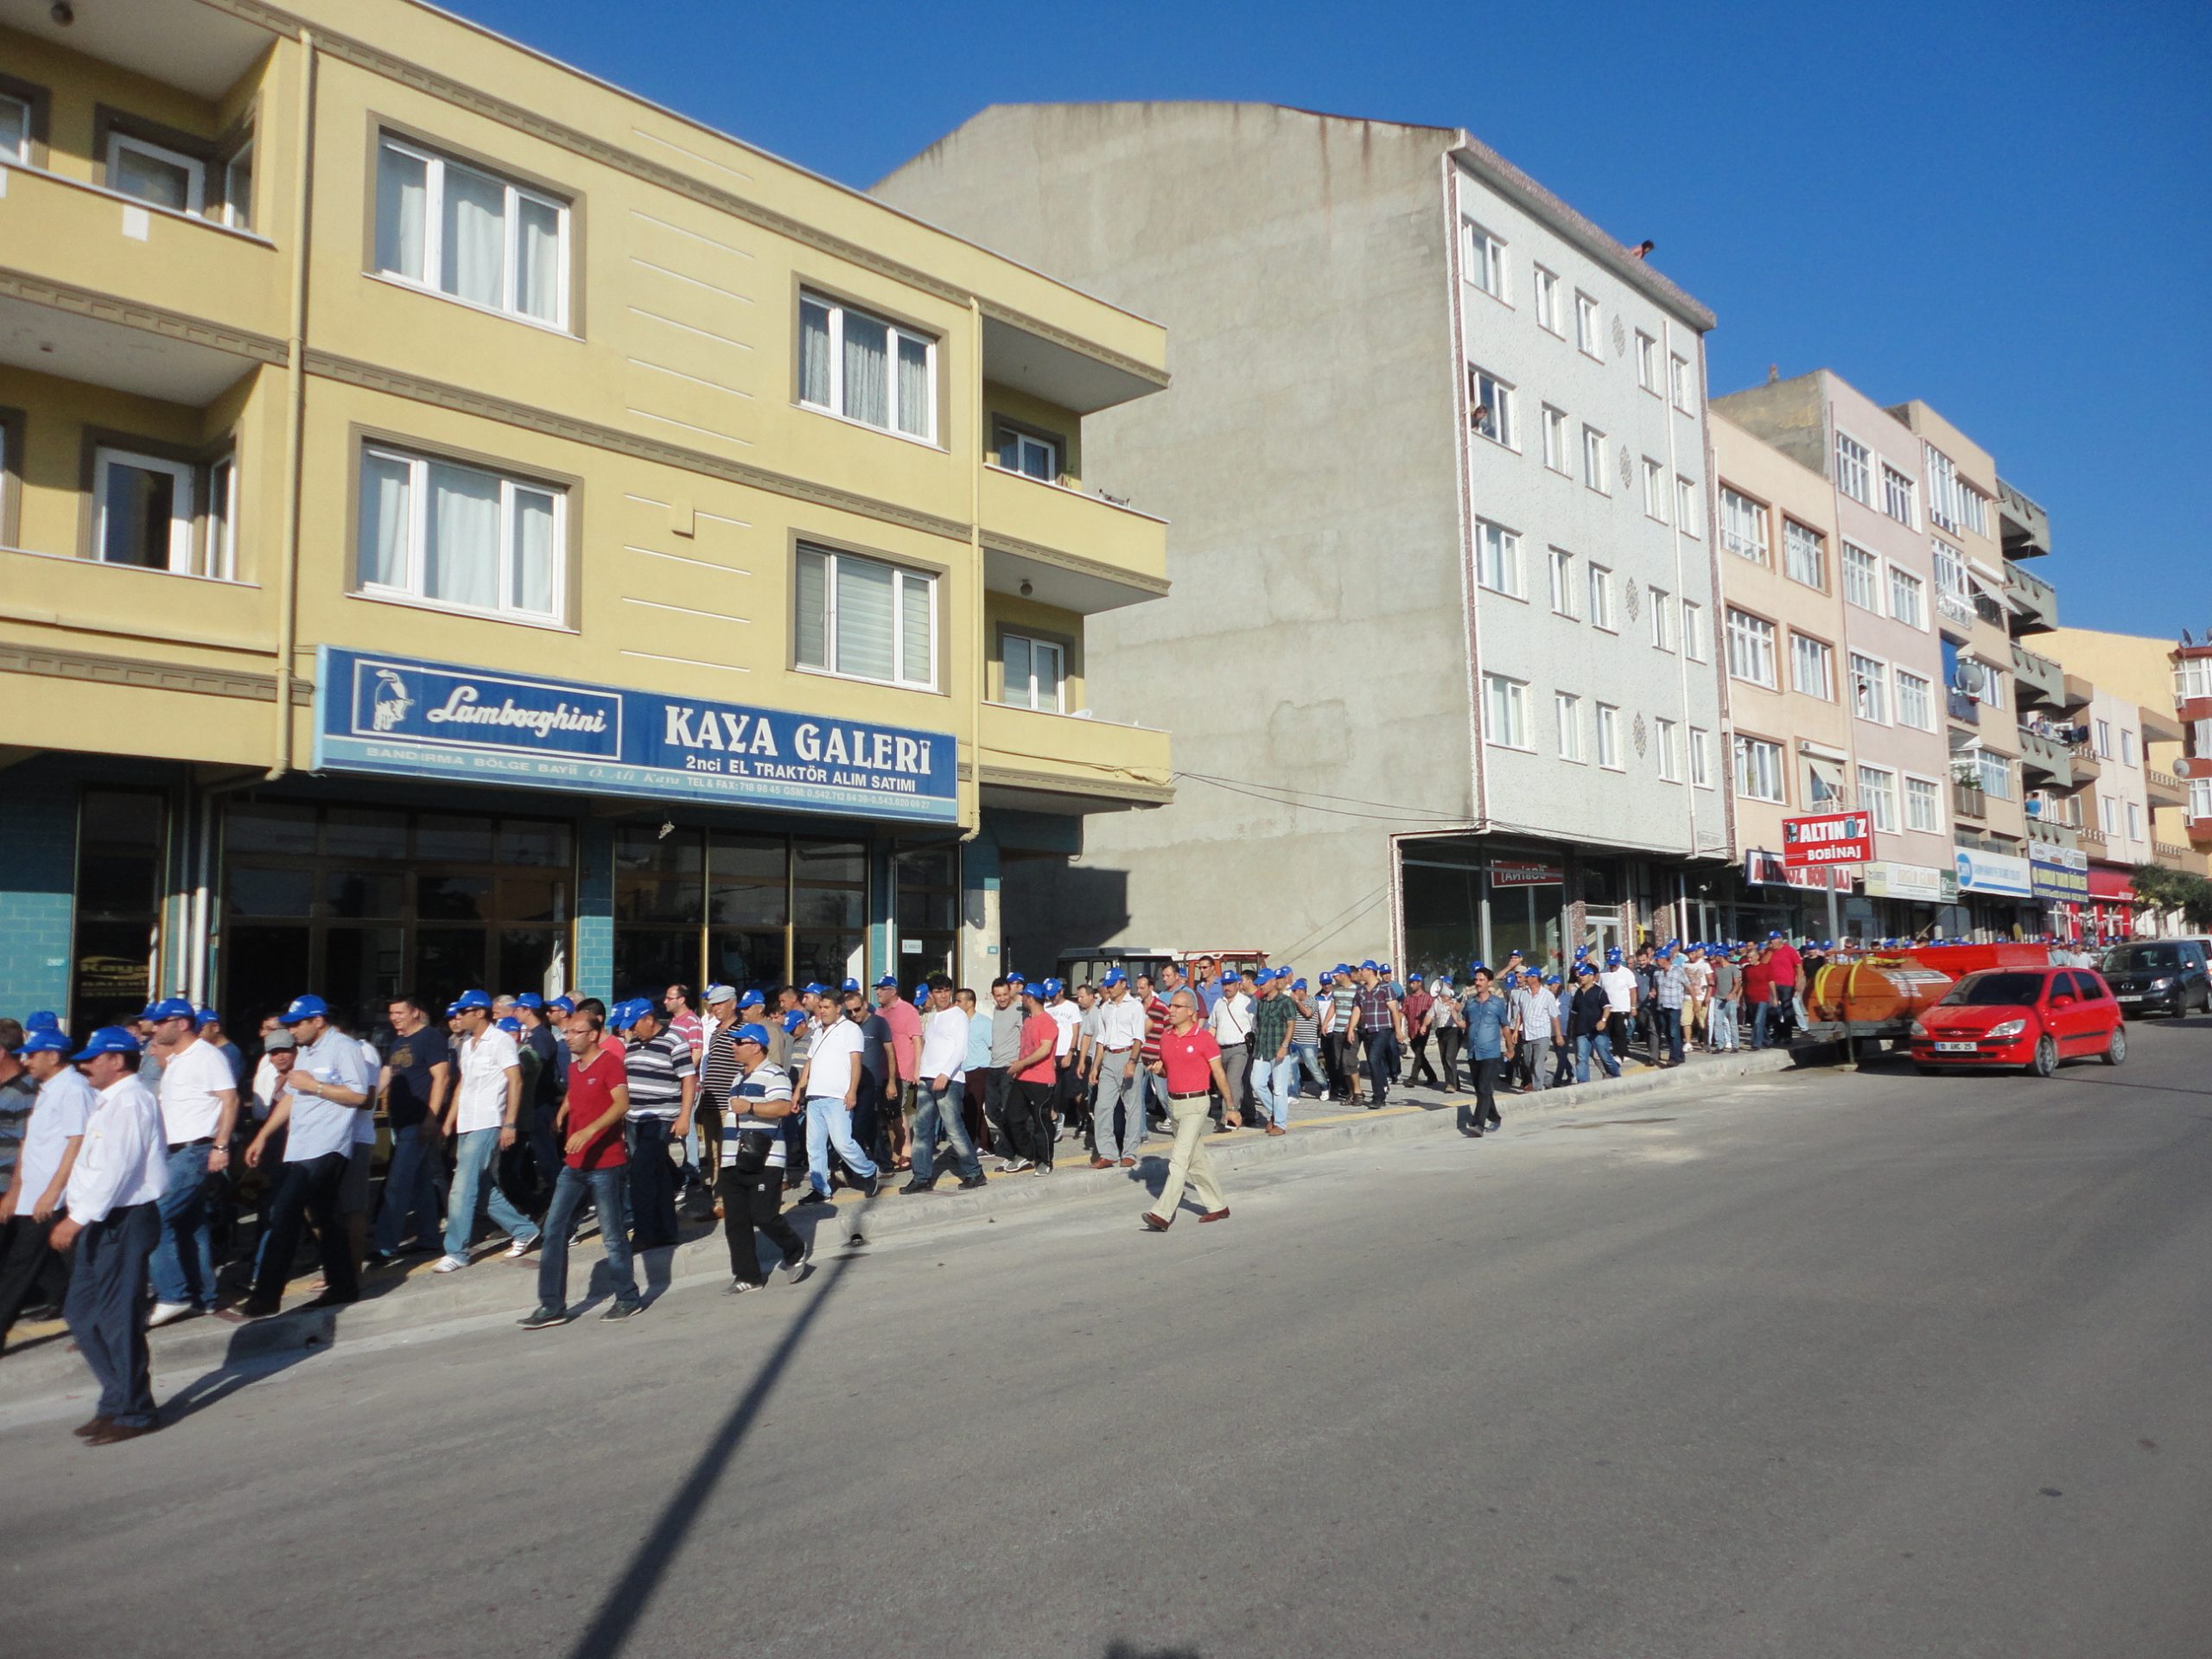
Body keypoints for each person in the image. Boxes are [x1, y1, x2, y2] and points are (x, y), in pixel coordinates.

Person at [48, 1026, 168, 1443]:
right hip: (100, 1219)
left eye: (93, 1058)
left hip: (124, 1219)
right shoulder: (108, 1101)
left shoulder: (131, 1102)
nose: (84, 1065)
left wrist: (76, 1219)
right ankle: (116, 1399)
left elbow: (116, 1169)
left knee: (118, 1319)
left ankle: (135, 1411)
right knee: (82, 1314)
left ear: (117, 1060)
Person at [237, 995, 371, 1319]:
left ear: (318, 1021)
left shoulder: (344, 1048)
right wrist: (263, 1136)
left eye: (298, 1023)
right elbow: (291, 1099)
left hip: (328, 1144)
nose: (292, 1030)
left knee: (284, 1212)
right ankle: (343, 1286)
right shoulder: (307, 1053)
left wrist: (317, 1086)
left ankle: (267, 1295)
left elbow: (360, 1095)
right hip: (300, 1145)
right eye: (290, 1024)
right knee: (326, 1217)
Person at [520, 1007, 642, 1327]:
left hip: (606, 1164)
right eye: (567, 1032)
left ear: (593, 1034)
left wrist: (589, 1131)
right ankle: (551, 1305)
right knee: (553, 1230)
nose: (568, 1037)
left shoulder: (611, 1063)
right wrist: (563, 1114)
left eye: (575, 1032)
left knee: (613, 1234)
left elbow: (621, 1104)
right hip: (573, 1165)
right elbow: (576, 1092)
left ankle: (627, 1297)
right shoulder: (576, 1066)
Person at [147, 995, 238, 1327]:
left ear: (182, 1024)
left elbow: (230, 1100)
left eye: (161, 1022)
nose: (154, 1028)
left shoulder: (206, 1056)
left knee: (155, 1219)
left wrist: (220, 1146)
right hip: (177, 1150)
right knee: (191, 1224)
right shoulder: (177, 1060)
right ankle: (204, 1296)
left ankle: (173, 1294)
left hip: (195, 1150)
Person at [435, 990, 541, 1272]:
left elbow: (515, 1082)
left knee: (462, 1187)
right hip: (466, 1123)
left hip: (489, 1121)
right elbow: (463, 1086)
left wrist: (509, 1123)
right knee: (480, 1188)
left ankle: (456, 1251)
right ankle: (523, 1229)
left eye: (463, 1012)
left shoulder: (502, 1041)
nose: (458, 1018)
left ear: (479, 1012)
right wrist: (448, 1121)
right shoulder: (467, 1046)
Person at [1, 1026, 89, 1351]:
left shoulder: (74, 1089)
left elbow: (75, 1142)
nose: (26, 1060)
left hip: (57, 1198)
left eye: (33, 1054)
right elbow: (30, 1142)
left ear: (53, 1055)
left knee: (75, 1266)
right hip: (34, 1196)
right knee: (25, 1265)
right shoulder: (46, 1087)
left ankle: (97, 1326)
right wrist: (16, 1190)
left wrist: (53, 1192)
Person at [711, 1020, 810, 1295]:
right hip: (734, 1159)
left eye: (739, 1042)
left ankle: (794, 1248)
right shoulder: (739, 1077)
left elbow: (782, 1107)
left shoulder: (774, 1074)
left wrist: (751, 1106)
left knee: (764, 1215)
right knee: (736, 1221)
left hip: (763, 1159)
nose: (734, 1046)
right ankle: (748, 1276)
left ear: (755, 1046)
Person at [1141, 989, 1237, 1230]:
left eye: (1177, 1006)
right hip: (1175, 1104)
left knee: (1179, 1159)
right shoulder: (1166, 1037)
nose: (1171, 1010)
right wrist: (1158, 1069)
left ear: (1191, 1012)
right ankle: (1218, 1206)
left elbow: (1218, 1073)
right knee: (1196, 1160)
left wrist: (1231, 1107)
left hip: (1196, 1103)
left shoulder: (1204, 1038)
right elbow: (1168, 1071)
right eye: (1170, 1006)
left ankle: (1163, 1213)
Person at [369, 995, 449, 1268]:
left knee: (397, 1183)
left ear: (415, 1012)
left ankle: (384, 1245)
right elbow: (387, 1075)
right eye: (391, 1012)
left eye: (399, 1012)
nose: (394, 1017)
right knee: (420, 1181)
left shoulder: (430, 1038)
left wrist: (432, 1117)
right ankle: (428, 1237)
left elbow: (441, 1078)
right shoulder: (398, 1041)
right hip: (399, 1121)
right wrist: (367, 1104)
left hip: (418, 1121)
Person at [618, 998, 697, 1246]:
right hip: (635, 1118)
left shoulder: (674, 1041)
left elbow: (688, 1080)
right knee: (659, 1174)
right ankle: (667, 1230)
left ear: (649, 1020)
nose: (630, 1029)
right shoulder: (633, 1045)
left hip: (661, 1117)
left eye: (634, 1024)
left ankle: (644, 1233)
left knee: (640, 1173)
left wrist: (684, 1116)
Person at [795, 989, 880, 1201]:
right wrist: (799, 1089)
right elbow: (810, 1062)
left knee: (843, 1143)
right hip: (815, 1096)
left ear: (837, 1008)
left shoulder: (850, 1029)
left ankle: (869, 1170)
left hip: (837, 1096)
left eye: (826, 1007)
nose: (822, 1011)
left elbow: (855, 1063)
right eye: (820, 1007)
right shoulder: (817, 1031)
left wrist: (852, 1091)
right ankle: (820, 1189)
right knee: (814, 1146)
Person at [905, 976, 987, 1192]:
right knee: (922, 1130)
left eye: (946, 990)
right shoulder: (933, 1017)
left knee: (954, 1129)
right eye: (938, 991)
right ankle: (921, 1177)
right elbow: (928, 1047)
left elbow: (960, 1049)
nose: (942, 995)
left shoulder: (958, 1015)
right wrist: (920, 1072)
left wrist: (945, 1074)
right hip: (927, 1079)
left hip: (949, 1080)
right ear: (931, 994)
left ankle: (974, 1172)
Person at [1087, 967, 1150, 1166]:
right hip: (1109, 1057)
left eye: (1113, 985)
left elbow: (1139, 1037)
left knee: (1131, 1107)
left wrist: (1132, 1062)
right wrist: (1095, 1066)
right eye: (1107, 986)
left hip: (1128, 1055)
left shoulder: (1134, 1006)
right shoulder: (1105, 1008)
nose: (1110, 989)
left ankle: (1129, 1152)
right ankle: (1108, 1152)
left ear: (1123, 984)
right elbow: (1100, 1039)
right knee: (1102, 1106)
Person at [981, 978, 1032, 1173]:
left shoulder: (1019, 1010)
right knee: (992, 1111)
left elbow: (1027, 1037)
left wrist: (1020, 1062)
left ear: (1010, 991)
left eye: (1004, 994)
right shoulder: (996, 1010)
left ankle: (1019, 1152)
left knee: (1011, 1113)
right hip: (993, 1066)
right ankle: (1014, 1147)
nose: (1002, 999)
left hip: (1009, 1068)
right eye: (998, 995)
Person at [875, 974, 924, 1173]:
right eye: (877, 988)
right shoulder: (878, 1013)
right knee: (888, 1115)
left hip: (903, 1071)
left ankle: (908, 1152)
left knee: (901, 1113)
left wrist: (917, 1070)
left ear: (893, 991)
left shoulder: (907, 1011)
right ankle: (895, 1153)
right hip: (883, 1072)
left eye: (882, 988)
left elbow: (917, 1041)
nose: (878, 992)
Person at [1012, 985, 1061, 1175]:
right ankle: (1026, 1153)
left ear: (1030, 998)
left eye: (1023, 996)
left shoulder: (1047, 1022)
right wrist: (1019, 1067)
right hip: (1022, 1077)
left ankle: (1045, 1161)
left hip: (1041, 1079)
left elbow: (1044, 1049)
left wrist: (1021, 1063)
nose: (1021, 999)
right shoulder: (1027, 1021)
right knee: (1012, 1118)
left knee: (1041, 1121)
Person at [1246, 968, 1298, 1137]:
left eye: (1264, 983)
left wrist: (1284, 1045)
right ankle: (1276, 1112)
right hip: (1262, 1048)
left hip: (1279, 1048)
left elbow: (1291, 1025)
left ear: (1273, 981)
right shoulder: (1261, 1003)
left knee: (1279, 1089)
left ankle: (1280, 1124)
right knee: (1257, 1083)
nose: (1262, 987)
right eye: (1260, 984)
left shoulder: (1285, 1001)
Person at [1460, 968, 1508, 1135]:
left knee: (1483, 1086)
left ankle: (1478, 1124)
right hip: (1473, 1052)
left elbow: (1505, 1026)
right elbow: (1466, 1024)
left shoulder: (1497, 1003)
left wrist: (1510, 1049)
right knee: (1481, 1088)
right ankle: (1495, 1117)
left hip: (1491, 1052)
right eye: (1476, 980)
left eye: (1481, 980)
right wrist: (1454, 1013)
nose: (1478, 983)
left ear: (1489, 982)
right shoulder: (1471, 1003)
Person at [1206, 969, 1255, 1127]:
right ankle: (1248, 1113)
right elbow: (1213, 1026)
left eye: (1230, 984)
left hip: (1239, 1049)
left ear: (1237, 984)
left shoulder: (1246, 1002)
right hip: (1221, 1049)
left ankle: (1227, 1118)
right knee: (1231, 1083)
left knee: (1232, 1082)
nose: (1227, 987)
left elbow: (1254, 1026)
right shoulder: (1219, 1003)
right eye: (1224, 984)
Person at [1351, 960, 1402, 1109]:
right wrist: (1351, 1029)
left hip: (1383, 1030)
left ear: (1371, 971)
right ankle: (1383, 1086)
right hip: (1367, 1030)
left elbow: (1394, 1011)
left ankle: (1378, 1096)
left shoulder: (1385, 989)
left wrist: (1398, 1031)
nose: (1360, 972)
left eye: (1362, 970)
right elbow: (1357, 1010)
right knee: (1376, 1061)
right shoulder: (1360, 991)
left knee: (1373, 1059)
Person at [1510, 968, 1560, 1094]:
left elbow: (1554, 1016)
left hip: (1542, 1034)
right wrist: (1516, 1031)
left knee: (1537, 1062)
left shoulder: (1547, 995)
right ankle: (1549, 1079)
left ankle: (1537, 1088)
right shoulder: (1523, 994)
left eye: (1528, 977)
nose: (1526, 979)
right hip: (1527, 1033)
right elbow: (1520, 1014)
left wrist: (1558, 1035)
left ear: (1536, 978)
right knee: (1528, 1062)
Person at [1567, 962, 1619, 1082]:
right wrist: (1571, 1028)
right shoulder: (1578, 993)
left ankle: (1616, 1075)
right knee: (1581, 1057)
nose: (1581, 977)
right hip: (1581, 1031)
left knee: (1604, 1056)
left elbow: (1607, 1007)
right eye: (1580, 975)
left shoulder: (1599, 991)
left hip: (1598, 1031)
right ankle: (1583, 1083)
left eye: (1584, 975)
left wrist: (1603, 1020)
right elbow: (1574, 1012)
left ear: (1591, 976)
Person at [1401, 974, 1440, 1086]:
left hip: (1423, 1031)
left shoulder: (1428, 998)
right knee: (1420, 1054)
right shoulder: (1408, 999)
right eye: (1410, 983)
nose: (1411, 985)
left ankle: (1413, 1078)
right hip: (1412, 1032)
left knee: (1418, 1053)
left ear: (1420, 983)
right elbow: (1402, 1012)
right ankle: (1432, 1076)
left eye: (1414, 982)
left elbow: (1433, 1013)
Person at [1653, 946, 1688, 1066]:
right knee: (1667, 1031)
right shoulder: (1657, 973)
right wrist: (1653, 992)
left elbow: (1688, 985)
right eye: (1656, 959)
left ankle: (1673, 1058)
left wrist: (1694, 1001)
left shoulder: (1678, 971)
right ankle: (1680, 1054)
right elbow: (1655, 987)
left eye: (1659, 959)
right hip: (1662, 1005)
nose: (1657, 961)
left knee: (1674, 1032)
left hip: (1674, 1006)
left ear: (1666, 959)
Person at [1709, 946, 1742, 1052]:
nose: (1715, 958)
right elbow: (1716, 983)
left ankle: (1735, 1045)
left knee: (1733, 1023)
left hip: (1730, 1000)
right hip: (1719, 998)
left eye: (1717, 955)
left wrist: (1732, 993)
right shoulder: (1717, 970)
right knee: (1718, 1023)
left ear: (1721, 956)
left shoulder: (1733, 967)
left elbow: (1737, 983)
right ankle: (1720, 1045)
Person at [1743, 945, 1776, 1050]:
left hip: (1763, 997)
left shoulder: (1765, 968)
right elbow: (1744, 983)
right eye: (1748, 957)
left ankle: (1756, 1043)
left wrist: (1775, 997)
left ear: (1757, 956)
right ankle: (1767, 1040)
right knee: (1756, 1022)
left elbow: (1771, 983)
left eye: (1751, 957)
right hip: (1750, 998)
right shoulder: (1746, 969)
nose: (1749, 959)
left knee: (1758, 1020)